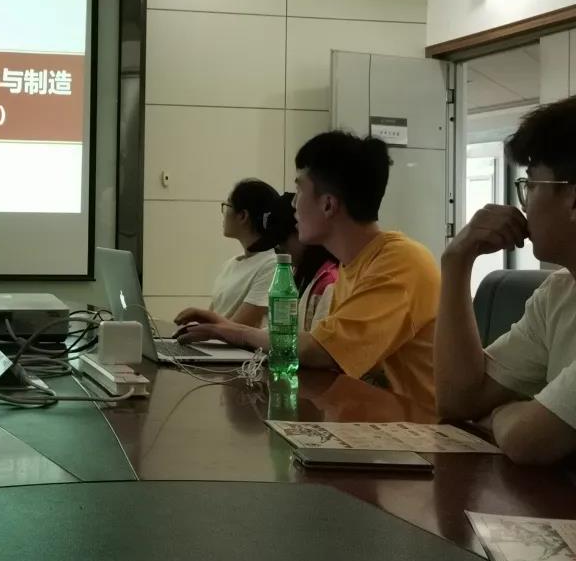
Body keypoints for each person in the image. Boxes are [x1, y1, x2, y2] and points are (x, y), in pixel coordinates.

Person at [176, 132, 439, 411]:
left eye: (299, 190)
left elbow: (321, 350)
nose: (293, 204)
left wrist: (234, 333)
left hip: (418, 430)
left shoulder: (400, 262)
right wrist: (227, 327)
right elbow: (313, 344)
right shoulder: (354, 263)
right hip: (376, 423)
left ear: (328, 204)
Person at [435, 97, 576, 465]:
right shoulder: (559, 293)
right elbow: (458, 401)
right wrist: (455, 263)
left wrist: (501, 415)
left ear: (573, 198)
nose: (523, 205)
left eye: (530, 184)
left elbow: (527, 441)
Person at [182, 179, 290, 328]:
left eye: (227, 206)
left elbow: (239, 328)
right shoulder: (231, 264)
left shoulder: (272, 265)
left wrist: (199, 319)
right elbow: (212, 319)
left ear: (243, 216)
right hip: (215, 342)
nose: (223, 213)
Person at [277, 192, 339, 332]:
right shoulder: (301, 273)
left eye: (282, 241)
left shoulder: (330, 281)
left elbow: (315, 343)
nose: (280, 250)